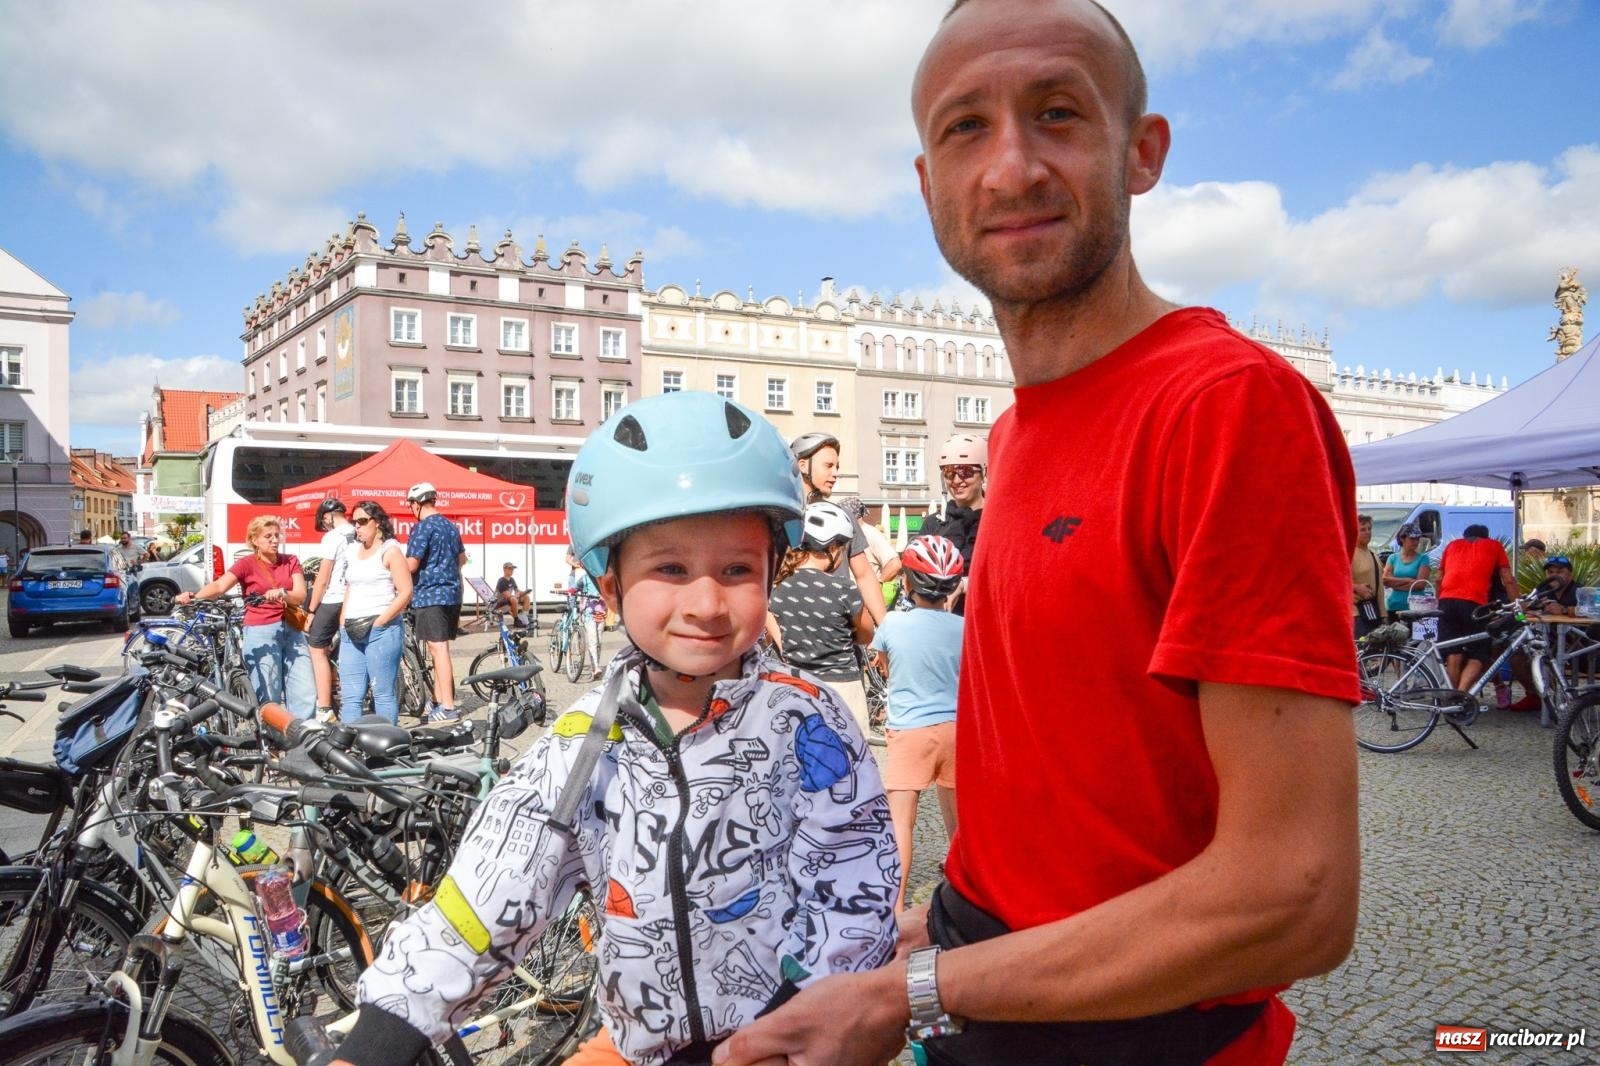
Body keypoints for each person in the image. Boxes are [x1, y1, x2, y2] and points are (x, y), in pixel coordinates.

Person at [716, 4, 1360, 1065]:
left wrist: (907, 995)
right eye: (966, 127)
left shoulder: (1227, 405)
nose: (1010, 167)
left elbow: (1293, 894)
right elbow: (1068, 807)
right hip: (996, 1004)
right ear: (928, 184)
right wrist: (939, 928)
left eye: (1057, 113)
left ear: (1140, 152)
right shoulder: (1013, 434)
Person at [332, 391, 899, 1066]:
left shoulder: (808, 721)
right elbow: (483, 900)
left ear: (773, 572)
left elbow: (854, 888)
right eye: (669, 568)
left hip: (790, 1045)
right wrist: (377, 1040)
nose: (707, 602)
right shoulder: (583, 745)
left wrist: (790, 1019)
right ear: (610, 590)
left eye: (738, 569)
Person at [870, 534, 964, 911]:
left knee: (902, 826)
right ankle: (963, 892)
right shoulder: (964, 627)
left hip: (910, 732)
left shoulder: (892, 624)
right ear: (953, 587)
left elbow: (884, 666)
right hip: (957, 730)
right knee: (959, 823)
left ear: (907, 583)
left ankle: (893, 909)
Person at [176, 515, 315, 718]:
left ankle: (304, 741)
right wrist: (193, 597)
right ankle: (272, 744)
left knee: (305, 690)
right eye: (268, 536)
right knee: (269, 694)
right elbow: (219, 586)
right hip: (261, 631)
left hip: (292, 630)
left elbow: (300, 595)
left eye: (277, 535)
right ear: (254, 540)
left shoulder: (290, 561)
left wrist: (283, 593)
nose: (275, 540)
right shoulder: (246, 564)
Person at [766, 499, 876, 734]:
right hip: (842, 689)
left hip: (794, 686)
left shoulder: (776, 587)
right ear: (833, 548)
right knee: (849, 762)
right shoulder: (844, 589)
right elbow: (867, 634)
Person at [790, 431, 889, 624]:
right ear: (802, 465)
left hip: (840, 633)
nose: (835, 473)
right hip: (795, 632)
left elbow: (864, 575)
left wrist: (885, 632)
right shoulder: (782, 516)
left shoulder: (843, 516)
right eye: (828, 465)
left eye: (837, 467)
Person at [337, 501, 413, 724]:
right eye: (354, 522)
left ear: (376, 522)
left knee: (382, 694)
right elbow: (350, 586)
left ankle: (385, 749)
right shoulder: (352, 551)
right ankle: (347, 751)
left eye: (362, 521)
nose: (357, 527)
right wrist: (342, 620)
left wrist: (382, 620)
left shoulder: (390, 550)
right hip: (351, 628)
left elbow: (406, 591)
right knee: (351, 697)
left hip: (381, 628)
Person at [404, 481, 466, 723]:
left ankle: (448, 707)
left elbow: (411, 564)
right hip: (453, 594)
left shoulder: (422, 528)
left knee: (438, 649)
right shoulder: (451, 527)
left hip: (430, 594)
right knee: (439, 648)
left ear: (417, 504)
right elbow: (462, 558)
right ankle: (439, 699)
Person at [1436, 522, 1517, 693]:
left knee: (1453, 651)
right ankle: (1463, 695)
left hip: (1446, 601)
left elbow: (1439, 578)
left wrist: (1439, 601)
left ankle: (1452, 698)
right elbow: (1508, 579)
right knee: (1478, 653)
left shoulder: (1452, 545)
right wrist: (1519, 604)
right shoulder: (1494, 545)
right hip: (1474, 603)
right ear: (1486, 536)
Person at [919, 433, 988, 614]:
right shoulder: (934, 523)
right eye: (949, 473)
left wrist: (964, 585)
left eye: (965, 472)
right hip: (942, 619)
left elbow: (1008, 574)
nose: (957, 481)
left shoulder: (998, 521)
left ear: (984, 472)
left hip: (985, 615)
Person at [306, 498, 357, 720]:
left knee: (316, 649)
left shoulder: (332, 537)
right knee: (350, 647)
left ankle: (324, 707)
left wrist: (311, 610)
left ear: (328, 517)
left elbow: (323, 579)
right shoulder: (360, 531)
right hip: (356, 599)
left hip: (334, 598)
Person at [557, 547, 604, 680]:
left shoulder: (602, 578)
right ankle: (595, 668)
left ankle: (596, 665)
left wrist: (605, 596)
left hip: (601, 613)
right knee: (593, 640)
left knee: (599, 641)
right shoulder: (584, 578)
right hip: (589, 613)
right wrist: (567, 592)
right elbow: (574, 588)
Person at [1381, 523, 1431, 615]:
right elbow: (1385, 580)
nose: (1416, 542)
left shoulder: (1423, 559)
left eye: (1417, 539)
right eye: (1412, 539)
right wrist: (1407, 580)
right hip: (1394, 606)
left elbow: (1420, 585)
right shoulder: (1393, 558)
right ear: (1402, 539)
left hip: (1416, 609)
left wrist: (1395, 584)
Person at [1351, 513, 1387, 638]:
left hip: (1374, 612)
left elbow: (1380, 587)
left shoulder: (1373, 554)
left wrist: (1383, 615)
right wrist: (1356, 587)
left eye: (1369, 529)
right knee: (1361, 653)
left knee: (1376, 655)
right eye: (1362, 529)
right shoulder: (1348, 553)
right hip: (1355, 613)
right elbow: (1335, 582)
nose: (1367, 532)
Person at [494, 561, 532, 628]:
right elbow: (507, 595)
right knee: (513, 599)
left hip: (508, 601)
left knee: (526, 597)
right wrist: (517, 596)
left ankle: (525, 616)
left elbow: (517, 591)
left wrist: (525, 592)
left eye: (512, 569)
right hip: (499, 603)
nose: (512, 570)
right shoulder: (501, 581)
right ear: (504, 569)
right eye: (510, 568)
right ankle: (516, 620)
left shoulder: (512, 579)